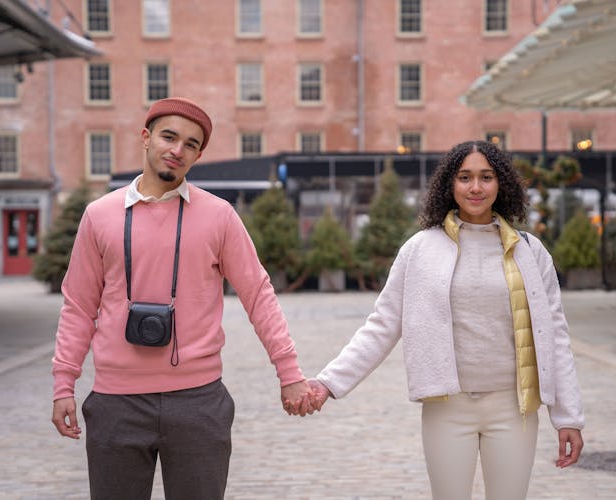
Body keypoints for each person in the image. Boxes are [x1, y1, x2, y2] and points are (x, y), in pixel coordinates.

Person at [51, 97, 315, 500]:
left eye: (191, 144)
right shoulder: (99, 215)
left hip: (199, 401)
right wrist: (63, 384)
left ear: (198, 155)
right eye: (169, 137)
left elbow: (259, 296)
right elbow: (79, 305)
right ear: (146, 137)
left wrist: (290, 373)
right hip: (115, 403)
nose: (178, 150)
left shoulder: (219, 216)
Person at [307, 140, 584, 500]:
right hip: (447, 408)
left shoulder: (530, 251)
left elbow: (555, 336)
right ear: (449, 185)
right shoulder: (420, 249)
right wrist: (329, 383)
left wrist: (569, 418)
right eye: (465, 177)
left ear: (500, 184)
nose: (476, 187)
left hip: (513, 408)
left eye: (486, 177)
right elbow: (382, 325)